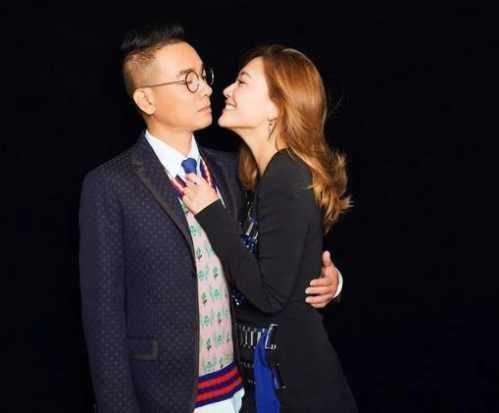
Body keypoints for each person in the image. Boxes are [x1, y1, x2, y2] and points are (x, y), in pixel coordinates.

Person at [79, 22, 342, 413]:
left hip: (247, 391)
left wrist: (329, 280)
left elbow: (277, 248)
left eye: (203, 76)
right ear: (147, 100)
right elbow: (104, 320)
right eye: (188, 80)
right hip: (168, 399)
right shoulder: (111, 185)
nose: (206, 89)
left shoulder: (235, 171)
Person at [181, 45, 357, 412]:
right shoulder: (260, 175)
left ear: (276, 107)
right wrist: (331, 280)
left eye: (243, 82)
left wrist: (212, 214)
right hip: (269, 381)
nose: (226, 90)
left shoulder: (286, 176)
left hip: (298, 390)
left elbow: (268, 295)